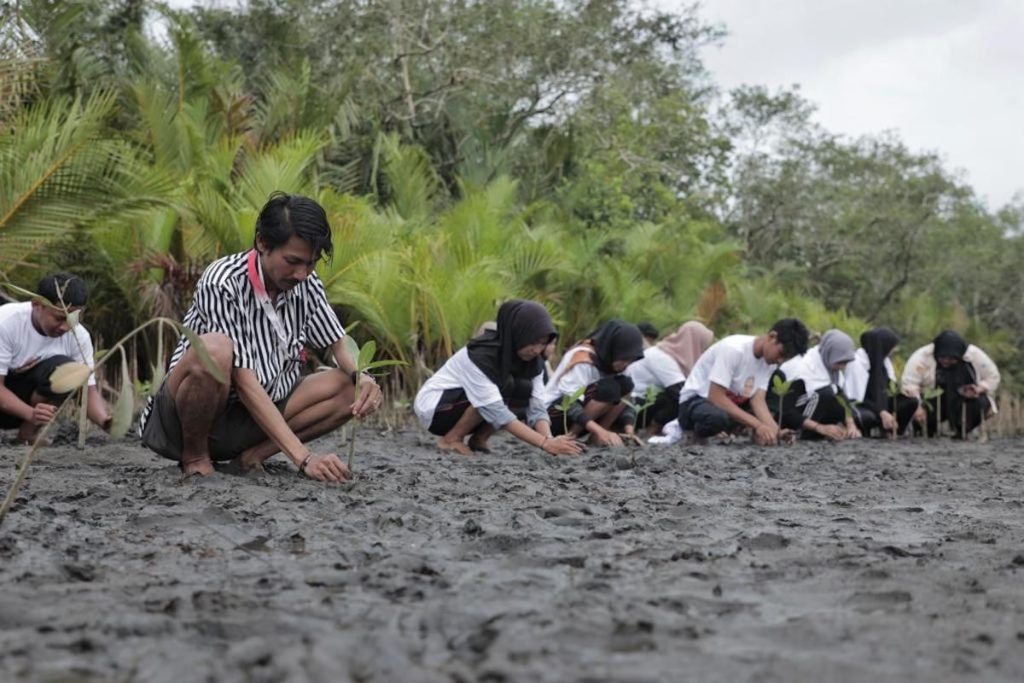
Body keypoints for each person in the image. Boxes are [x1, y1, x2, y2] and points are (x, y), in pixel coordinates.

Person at [139, 193, 383, 482]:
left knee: (347, 387)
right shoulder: (223, 281)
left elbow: (338, 342)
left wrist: (363, 377)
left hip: (254, 417)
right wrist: (303, 458)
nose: (302, 274)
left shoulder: (306, 284)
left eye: (311, 263)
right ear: (262, 243)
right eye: (293, 261)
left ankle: (252, 457)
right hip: (189, 419)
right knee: (215, 349)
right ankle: (195, 458)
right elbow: (243, 380)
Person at [414, 300, 582, 457]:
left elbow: (536, 406)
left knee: (523, 388)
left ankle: (479, 439)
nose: (537, 350)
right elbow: (496, 411)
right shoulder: (479, 355)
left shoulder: (533, 362)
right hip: (436, 408)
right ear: (518, 334)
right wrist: (544, 443)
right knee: (505, 388)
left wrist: (551, 440)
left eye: (543, 343)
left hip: (468, 406)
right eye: (533, 342)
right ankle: (450, 440)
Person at [0, 273, 112, 444]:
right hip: (11, 404)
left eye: (73, 319)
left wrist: (106, 422)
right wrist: (30, 413)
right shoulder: (6, 322)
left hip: (27, 411)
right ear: (37, 305)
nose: (66, 327)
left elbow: (87, 390)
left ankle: (27, 435)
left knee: (71, 371)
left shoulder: (79, 336)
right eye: (59, 318)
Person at [677, 318, 809, 445]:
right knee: (717, 418)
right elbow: (715, 397)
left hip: (725, 404)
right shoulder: (734, 350)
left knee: (732, 416)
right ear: (772, 337)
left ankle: (724, 431)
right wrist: (757, 425)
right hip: (695, 402)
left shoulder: (769, 364)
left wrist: (776, 431)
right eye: (781, 353)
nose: (780, 361)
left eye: (786, 358)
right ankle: (691, 433)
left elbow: (758, 401)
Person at [540, 319, 645, 446]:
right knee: (610, 388)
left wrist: (629, 432)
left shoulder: (620, 366)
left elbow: (628, 401)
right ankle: (571, 436)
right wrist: (599, 430)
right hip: (552, 417)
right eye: (624, 359)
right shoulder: (583, 358)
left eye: (631, 360)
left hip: (583, 420)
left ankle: (595, 437)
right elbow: (569, 403)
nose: (627, 364)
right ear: (613, 349)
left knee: (626, 384)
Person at [901, 330, 1000, 437]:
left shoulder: (975, 355)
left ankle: (962, 431)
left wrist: (978, 389)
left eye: (952, 358)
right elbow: (909, 384)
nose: (946, 361)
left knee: (981, 402)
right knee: (913, 409)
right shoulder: (921, 358)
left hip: (963, 399)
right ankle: (924, 432)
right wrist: (917, 407)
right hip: (931, 398)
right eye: (942, 357)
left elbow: (993, 376)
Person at [626, 321, 713, 434]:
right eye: (702, 345)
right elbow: (680, 392)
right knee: (677, 399)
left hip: (644, 401)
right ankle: (652, 429)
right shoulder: (662, 357)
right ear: (694, 343)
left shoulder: (674, 355)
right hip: (632, 407)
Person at [770, 329, 859, 441]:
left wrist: (851, 425)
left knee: (840, 400)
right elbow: (786, 409)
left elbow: (841, 396)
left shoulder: (833, 371)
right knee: (825, 393)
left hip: (807, 410)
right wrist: (818, 427)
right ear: (829, 354)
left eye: (845, 363)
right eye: (840, 362)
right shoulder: (804, 367)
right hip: (786, 416)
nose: (842, 367)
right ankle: (801, 433)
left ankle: (821, 433)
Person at [843, 327, 916, 436]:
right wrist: (880, 411)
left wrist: (902, 390)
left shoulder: (884, 362)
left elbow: (890, 389)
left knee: (911, 401)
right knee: (868, 417)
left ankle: (895, 431)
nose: (892, 351)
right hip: (864, 405)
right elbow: (856, 398)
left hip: (882, 405)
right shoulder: (857, 363)